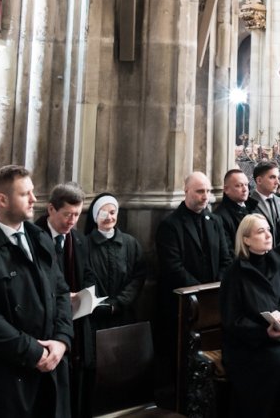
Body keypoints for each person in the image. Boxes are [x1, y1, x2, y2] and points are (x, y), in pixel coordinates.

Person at [0, 165, 74, 418]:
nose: (34, 199)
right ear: (2, 199)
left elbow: (61, 292)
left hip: (49, 368)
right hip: (2, 378)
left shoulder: (40, 238)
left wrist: (62, 341)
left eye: (32, 192)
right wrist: (34, 352)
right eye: (25, 194)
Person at [219, 214, 280, 418]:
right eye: (260, 231)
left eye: (268, 230)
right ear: (246, 239)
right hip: (248, 346)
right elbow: (233, 321)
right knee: (278, 365)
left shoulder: (278, 264)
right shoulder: (235, 273)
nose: (268, 235)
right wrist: (263, 332)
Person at [155, 171, 233, 358]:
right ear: (186, 191)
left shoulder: (215, 220)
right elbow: (173, 266)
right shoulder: (170, 225)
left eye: (207, 191)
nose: (205, 196)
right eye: (199, 191)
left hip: (214, 300)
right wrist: (200, 291)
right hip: (184, 303)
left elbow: (226, 257)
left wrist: (216, 287)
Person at [36, 183, 98, 418]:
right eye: (67, 214)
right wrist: (62, 296)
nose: (72, 221)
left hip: (76, 324)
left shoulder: (79, 240)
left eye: (77, 215)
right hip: (48, 325)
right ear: (51, 209)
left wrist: (84, 293)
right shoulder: (35, 237)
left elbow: (89, 273)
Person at [86, 194, 146, 329]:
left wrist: (119, 303)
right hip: (94, 317)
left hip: (125, 314)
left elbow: (138, 277)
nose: (109, 217)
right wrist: (100, 305)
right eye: (103, 213)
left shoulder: (130, 243)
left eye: (112, 212)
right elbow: (84, 277)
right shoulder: (84, 245)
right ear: (95, 216)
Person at [247, 161, 280, 246]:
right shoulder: (248, 203)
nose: (277, 182)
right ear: (259, 180)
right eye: (272, 177)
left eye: (278, 177)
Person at [214, 168, 251, 250]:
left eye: (246, 185)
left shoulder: (253, 207)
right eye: (239, 185)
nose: (245, 189)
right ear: (226, 189)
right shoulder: (220, 217)